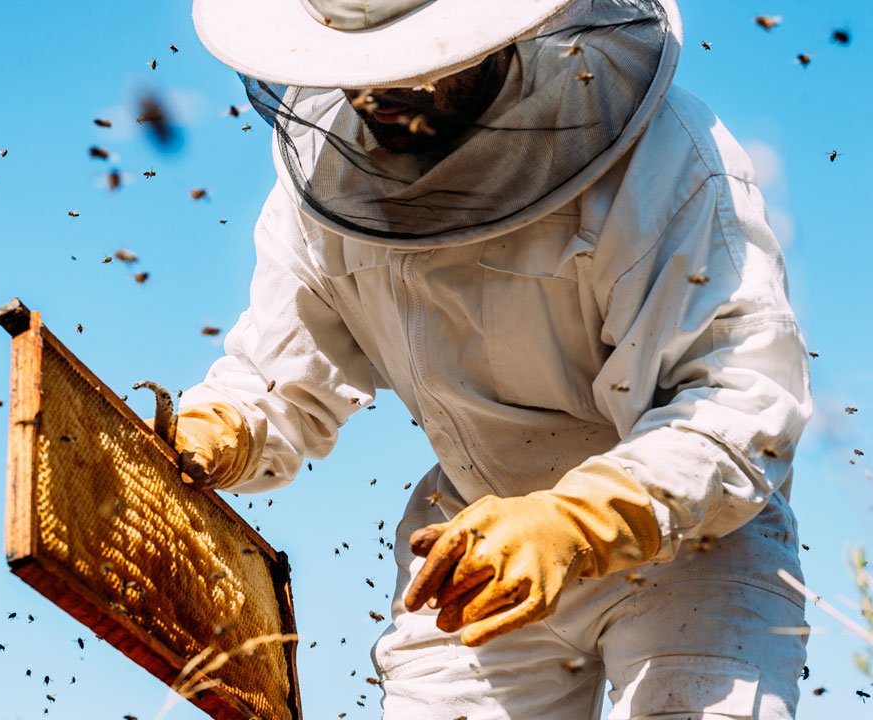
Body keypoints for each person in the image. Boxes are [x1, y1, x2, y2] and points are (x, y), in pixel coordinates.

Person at [177, 0, 813, 717]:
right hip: (472, 545)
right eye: (358, 63)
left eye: (411, 62)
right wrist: (223, 427)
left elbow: (740, 397)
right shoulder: (325, 186)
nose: (379, 91)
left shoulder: (664, 157)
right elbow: (283, 377)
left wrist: (578, 522)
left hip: (689, 538)